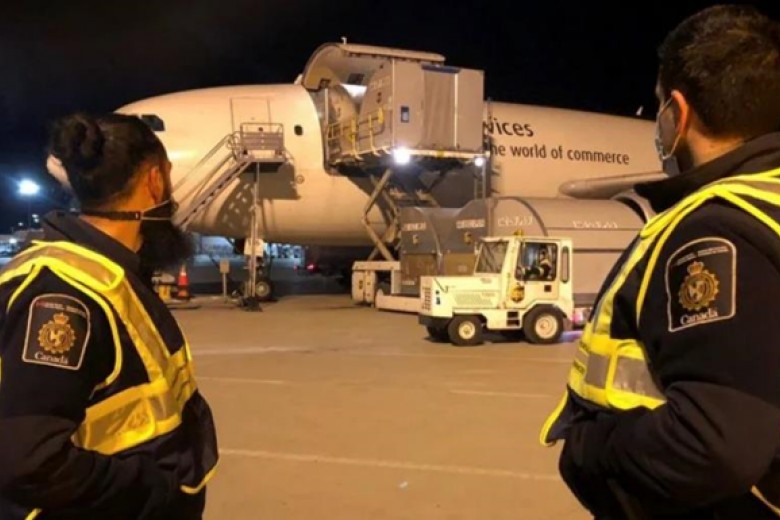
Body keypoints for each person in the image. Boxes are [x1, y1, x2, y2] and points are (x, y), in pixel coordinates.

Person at [540, 5, 780, 519]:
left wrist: (587, 450)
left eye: (658, 106)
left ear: (677, 113)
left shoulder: (715, 230)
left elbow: (716, 447)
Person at [0, 113, 218, 519]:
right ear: (155, 181)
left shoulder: (110, 275)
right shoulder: (64, 295)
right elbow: (30, 460)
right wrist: (151, 489)